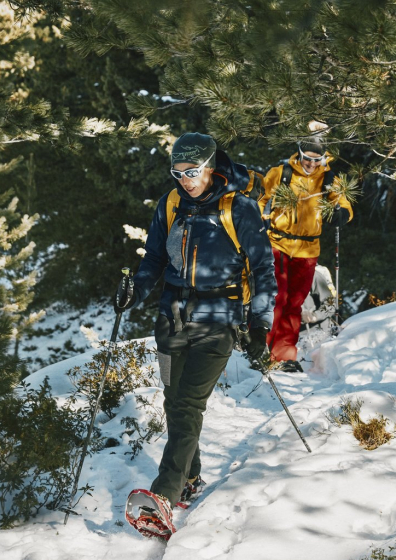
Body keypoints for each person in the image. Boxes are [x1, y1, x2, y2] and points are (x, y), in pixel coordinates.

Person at [116, 132, 276, 532]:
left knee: (188, 404)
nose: (185, 179)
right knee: (174, 401)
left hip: (218, 319)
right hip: (171, 316)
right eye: (178, 172)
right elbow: (153, 258)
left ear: (211, 167)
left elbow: (263, 271)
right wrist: (133, 292)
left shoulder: (239, 209)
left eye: (193, 171)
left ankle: (164, 496)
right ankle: (189, 478)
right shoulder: (170, 204)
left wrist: (260, 324)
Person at [258, 136, 353, 372]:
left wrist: (342, 213)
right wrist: (260, 218)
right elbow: (261, 200)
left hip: (308, 248)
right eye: (307, 158)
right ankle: (262, 352)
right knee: (276, 299)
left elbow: (345, 204)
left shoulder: (329, 179)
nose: (311, 164)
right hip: (277, 243)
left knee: (295, 303)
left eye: (316, 159)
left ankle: (283, 356)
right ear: (299, 154)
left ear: (323, 158)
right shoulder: (281, 173)